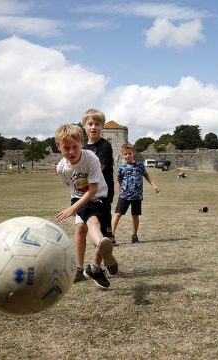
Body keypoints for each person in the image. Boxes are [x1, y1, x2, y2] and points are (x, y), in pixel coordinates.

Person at [54, 123, 117, 289]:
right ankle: (99, 244)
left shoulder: (91, 158)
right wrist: (75, 207)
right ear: (58, 147)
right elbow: (74, 187)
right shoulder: (61, 168)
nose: (71, 152)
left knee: (108, 236)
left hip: (99, 198)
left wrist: (72, 209)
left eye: (75, 146)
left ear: (82, 143)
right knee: (91, 222)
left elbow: (93, 189)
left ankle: (95, 267)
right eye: (66, 148)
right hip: (80, 199)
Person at [71, 108, 116, 284]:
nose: (93, 127)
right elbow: (71, 164)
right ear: (84, 126)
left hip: (102, 195)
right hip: (83, 196)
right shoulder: (81, 146)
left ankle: (95, 267)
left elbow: (99, 169)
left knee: (105, 235)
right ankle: (80, 269)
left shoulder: (105, 146)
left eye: (97, 124)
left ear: (102, 127)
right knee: (81, 229)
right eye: (90, 124)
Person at [112, 143, 160, 243]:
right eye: (125, 154)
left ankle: (134, 235)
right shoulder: (122, 167)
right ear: (122, 155)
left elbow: (147, 176)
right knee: (117, 214)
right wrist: (119, 193)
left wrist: (154, 186)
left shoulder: (140, 165)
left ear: (133, 153)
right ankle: (111, 235)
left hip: (137, 196)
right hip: (124, 195)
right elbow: (119, 181)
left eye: (129, 153)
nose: (127, 156)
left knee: (135, 216)